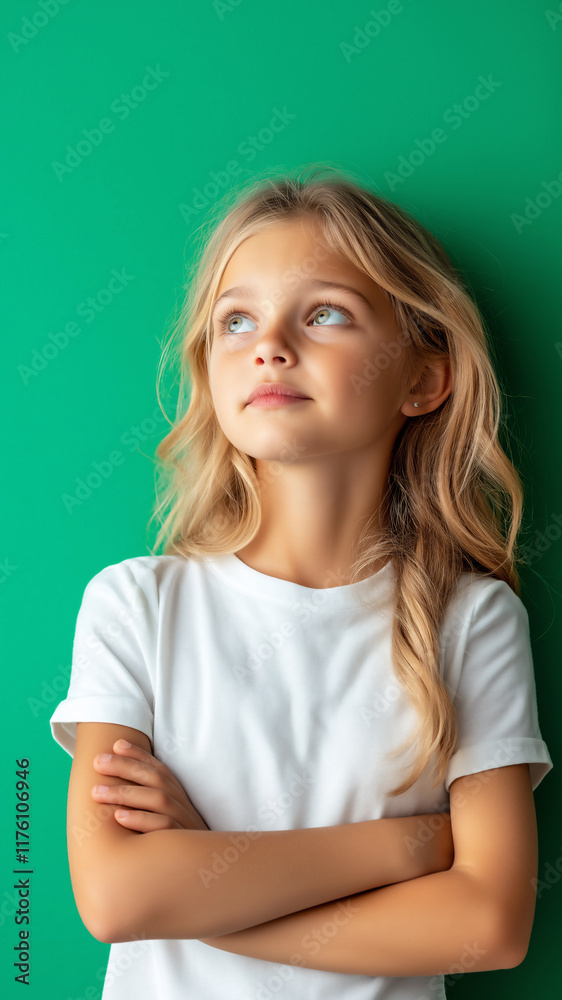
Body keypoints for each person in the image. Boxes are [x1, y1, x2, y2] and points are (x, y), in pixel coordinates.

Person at [50, 167, 553, 1000]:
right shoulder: (134, 606)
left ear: (425, 378)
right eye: (236, 320)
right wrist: (414, 847)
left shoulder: (471, 620)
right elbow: (117, 897)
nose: (269, 345)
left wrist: (205, 886)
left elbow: (489, 925)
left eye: (325, 314)